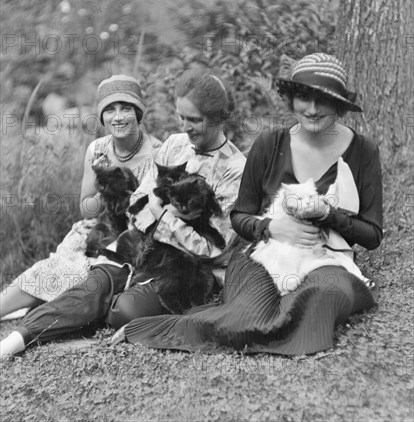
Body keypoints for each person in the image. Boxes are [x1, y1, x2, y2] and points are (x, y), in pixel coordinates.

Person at [117, 53, 383, 355]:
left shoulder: (363, 151)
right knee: (245, 315)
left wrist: (327, 213)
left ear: (339, 105)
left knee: (328, 292)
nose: (312, 109)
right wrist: (273, 227)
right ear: (292, 99)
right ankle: (171, 328)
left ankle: (294, 323)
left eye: (323, 100)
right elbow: (240, 218)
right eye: (303, 98)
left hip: (324, 260)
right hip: (263, 256)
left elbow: (372, 235)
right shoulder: (269, 144)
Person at [0, 69, 246, 359]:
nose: (185, 126)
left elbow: (211, 248)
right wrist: (169, 215)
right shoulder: (175, 144)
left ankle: (100, 307)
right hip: (138, 246)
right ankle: (16, 339)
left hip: (186, 269)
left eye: (194, 120)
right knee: (95, 285)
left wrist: (159, 212)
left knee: (122, 311)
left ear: (218, 117)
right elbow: (138, 201)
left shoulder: (234, 168)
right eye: (181, 117)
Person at [0, 74, 161, 319]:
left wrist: (125, 192)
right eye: (109, 110)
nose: (117, 117)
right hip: (95, 229)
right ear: (102, 116)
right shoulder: (97, 149)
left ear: (138, 112)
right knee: (52, 267)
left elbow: (153, 218)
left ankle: (39, 307)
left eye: (125, 108)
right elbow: (86, 210)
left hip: (133, 238)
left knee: (82, 274)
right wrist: (104, 186)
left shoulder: (157, 153)